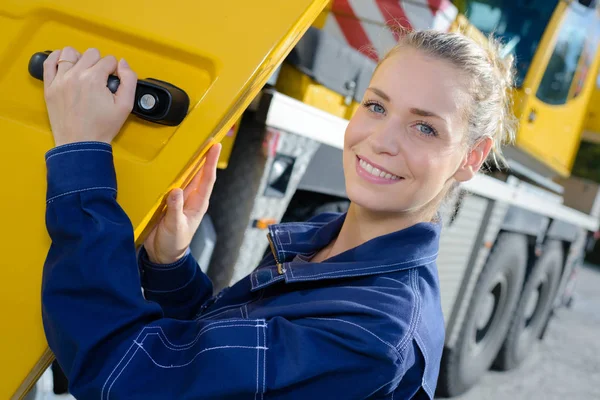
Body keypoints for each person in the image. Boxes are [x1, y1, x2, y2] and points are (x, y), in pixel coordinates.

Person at [41, 29, 515, 399]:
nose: (381, 140)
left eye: (425, 128)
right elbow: (216, 358)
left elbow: (129, 378)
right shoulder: (321, 247)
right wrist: (172, 265)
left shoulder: (373, 337)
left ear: (472, 157)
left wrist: (82, 158)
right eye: (376, 106)